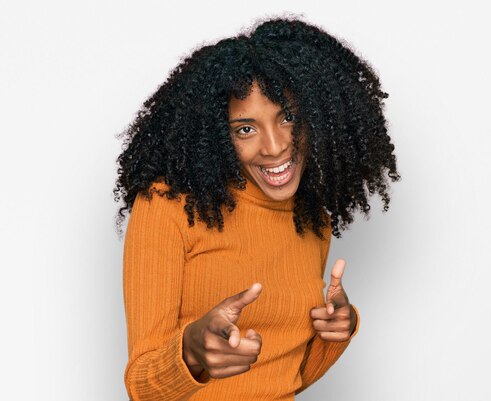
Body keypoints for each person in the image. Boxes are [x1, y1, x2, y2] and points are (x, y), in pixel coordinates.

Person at [114, 16, 400, 401]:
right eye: (245, 129)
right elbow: (142, 387)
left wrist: (336, 332)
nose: (275, 146)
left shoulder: (312, 221)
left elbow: (289, 378)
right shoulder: (167, 207)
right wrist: (193, 351)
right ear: (216, 135)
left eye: (289, 118)